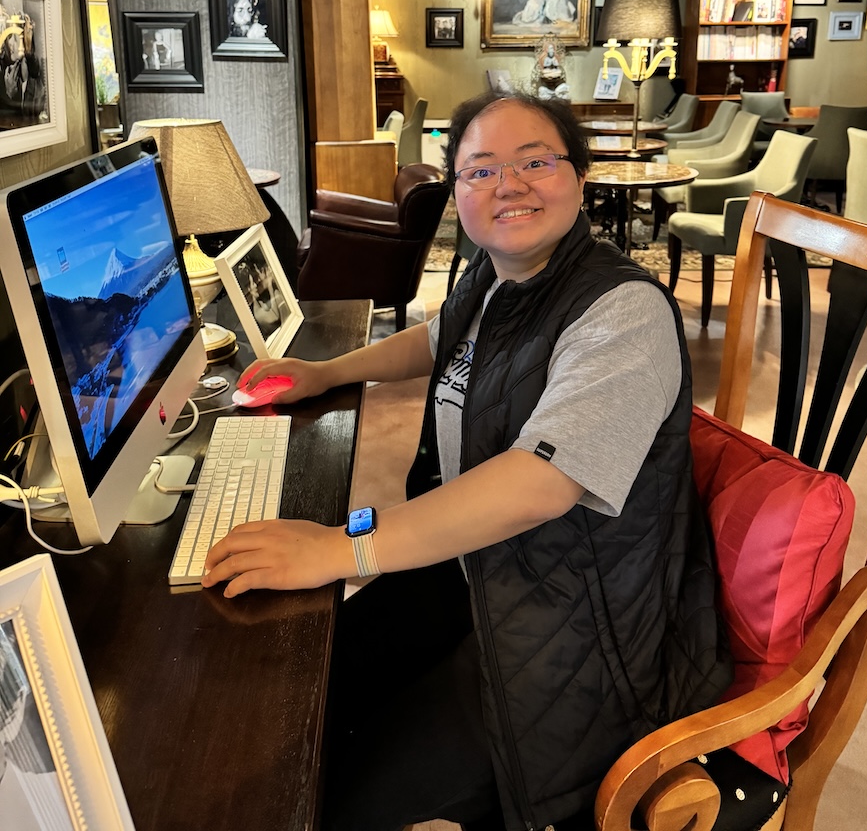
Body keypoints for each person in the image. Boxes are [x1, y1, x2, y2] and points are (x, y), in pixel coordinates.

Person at [202, 93, 731, 831]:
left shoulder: (623, 311)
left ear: (580, 178)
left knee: (324, 792)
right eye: (480, 170)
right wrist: (327, 373)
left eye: (534, 162)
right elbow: (437, 340)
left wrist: (343, 547)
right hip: (480, 573)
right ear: (458, 193)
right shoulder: (496, 278)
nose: (508, 185)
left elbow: (541, 483)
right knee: (299, 695)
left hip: (579, 634)